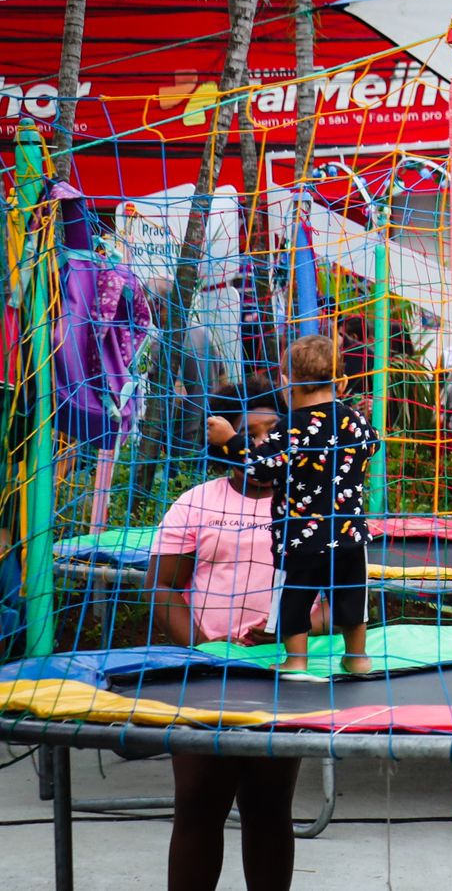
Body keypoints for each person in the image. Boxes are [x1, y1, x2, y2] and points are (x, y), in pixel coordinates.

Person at [154, 388, 300, 891]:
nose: (259, 444)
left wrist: (286, 632)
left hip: (280, 673)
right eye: (247, 434)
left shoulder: (309, 506)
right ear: (223, 440)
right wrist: (203, 649)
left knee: (269, 805)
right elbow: (162, 585)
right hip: (203, 675)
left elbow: (337, 598)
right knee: (198, 801)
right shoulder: (196, 502)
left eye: (270, 433)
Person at [208, 334, 377, 674]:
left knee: (295, 598)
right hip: (348, 535)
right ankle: (357, 657)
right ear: (341, 382)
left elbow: (261, 466)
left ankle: (297, 660)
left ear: (287, 383)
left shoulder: (291, 428)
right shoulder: (355, 421)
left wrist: (230, 441)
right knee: (351, 596)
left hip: (301, 537)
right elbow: (372, 444)